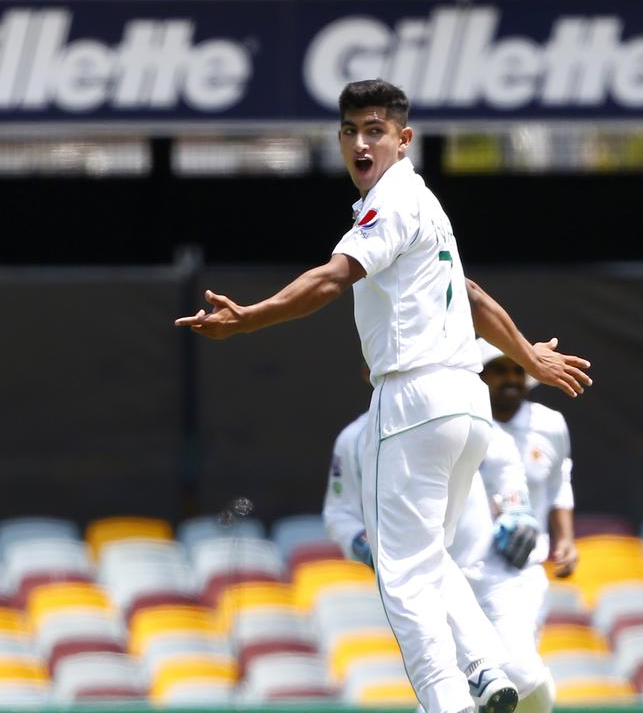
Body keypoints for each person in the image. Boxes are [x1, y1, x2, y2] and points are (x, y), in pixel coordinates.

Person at [176, 79, 591, 713]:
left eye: (376, 130)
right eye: (350, 131)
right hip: (467, 406)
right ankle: (488, 668)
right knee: (432, 557)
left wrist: (249, 319)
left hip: (415, 401)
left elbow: (332, 278)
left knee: (402, 577)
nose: (361, 143)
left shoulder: (390, 202)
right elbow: (472, 295)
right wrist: (526, 351)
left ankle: (447, 701)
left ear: (404, 139)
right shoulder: (427, 203)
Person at [323, 404, 557, 713]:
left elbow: (505, 466)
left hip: (489, 573)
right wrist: (370, 546)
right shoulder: (354, 438)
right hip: (424, 584)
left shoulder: (459, 413)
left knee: (522, 673)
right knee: (450, 696)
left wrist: (517, 513)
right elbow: (339, 513)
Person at [478, 340, 578, 585]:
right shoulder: (460, 427)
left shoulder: (550, 424)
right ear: (481, 376)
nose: (511, 378)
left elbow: (558, 483)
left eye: (518, 370)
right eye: (500, 370)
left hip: (524, 568)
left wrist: (565, 539)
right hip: (466, 566)